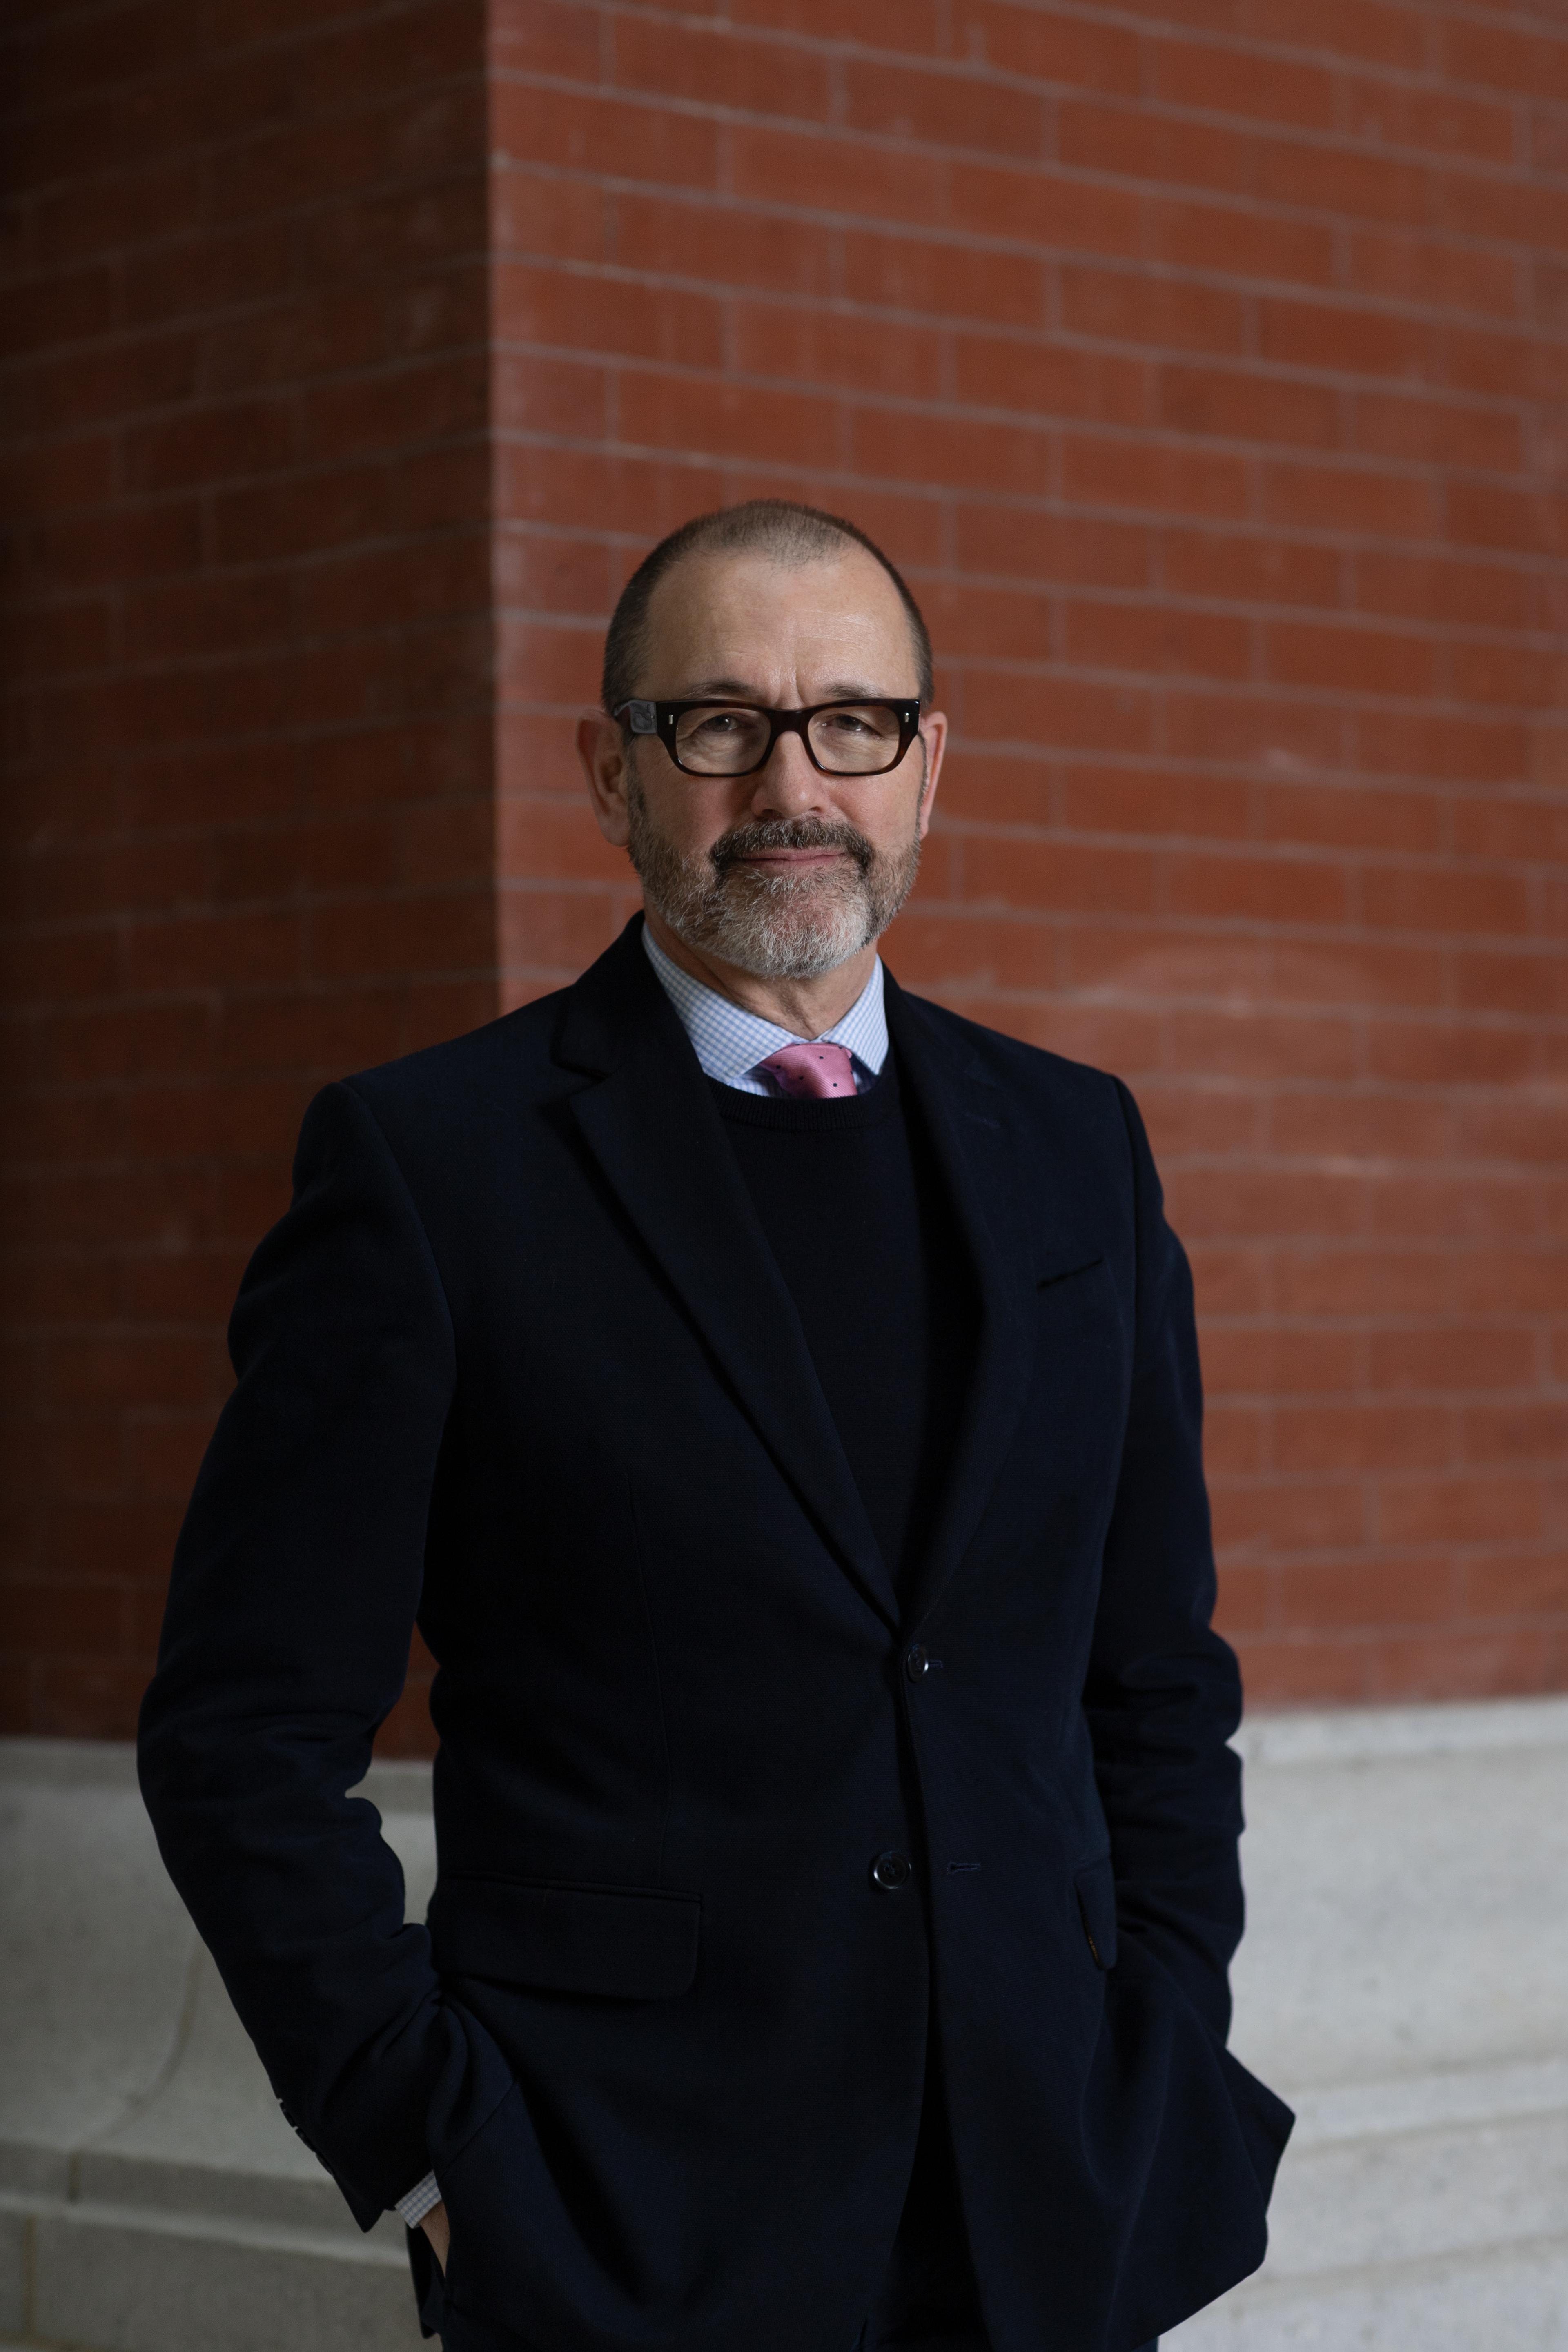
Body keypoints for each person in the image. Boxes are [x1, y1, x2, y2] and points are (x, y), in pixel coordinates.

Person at [138, 499, 1292, 2352]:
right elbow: (241, 1735)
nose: (793, 780)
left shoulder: (1077, 1148)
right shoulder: (433, 1169)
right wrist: (436, 2155)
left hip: (1055, 2189)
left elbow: (1153, 1672)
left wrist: (1163, 2017)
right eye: (720, 720)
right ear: (612, 769)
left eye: (855, 722)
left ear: (930, 771)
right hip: (626, 2217)